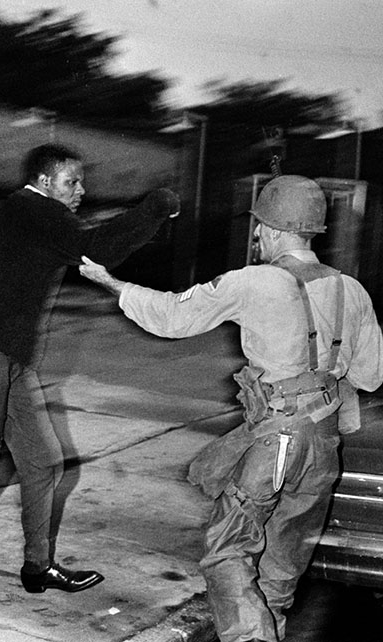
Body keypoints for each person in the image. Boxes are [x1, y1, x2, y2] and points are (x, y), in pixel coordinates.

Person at [79, 174, 383, 642]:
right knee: (279, 567)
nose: (256, 235)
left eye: (260, 226)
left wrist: (110, 282)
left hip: (277, 440)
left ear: (277, 229)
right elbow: (369, 377)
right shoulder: (353, 291)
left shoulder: (254, 282)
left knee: (227, 552)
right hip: (324, 446)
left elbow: (172, 317)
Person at [0, 143, 180, 591]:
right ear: (47, 181)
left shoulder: (22, 215)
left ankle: (37, 566)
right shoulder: (34, 209)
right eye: (73, 182)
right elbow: (97, 249)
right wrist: (155, 208)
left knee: (42, 462)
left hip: (4, 354)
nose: (82, 190)